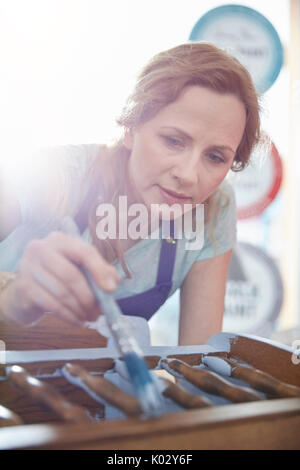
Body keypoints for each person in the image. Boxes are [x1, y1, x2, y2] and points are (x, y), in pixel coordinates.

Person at [0, 42, 261, 345]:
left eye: (215, 157)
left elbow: (199, 358)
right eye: (174, 141)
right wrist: (11, 297)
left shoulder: (215, 208)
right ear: (131, 129)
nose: (189, 176)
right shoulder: (56, 174)